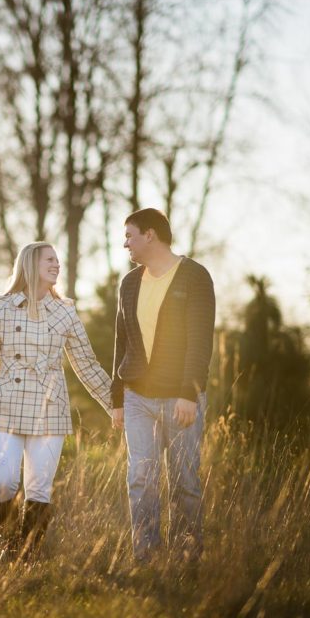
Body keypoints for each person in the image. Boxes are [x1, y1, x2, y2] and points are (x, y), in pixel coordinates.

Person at [0, 242, 112, 564]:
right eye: (50, 260)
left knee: (39, 488)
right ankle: (11, 542)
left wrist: (116, 404)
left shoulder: (65, 310)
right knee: (3, 482)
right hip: (4, 403)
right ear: (30, 264)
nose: (57, 265)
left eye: (58, 259)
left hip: (49, 404)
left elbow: (86, 363)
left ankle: (23, 557)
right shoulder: (0, 307)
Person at [111, 208, 215, 562]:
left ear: (150, 235)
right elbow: (121, 342)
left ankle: (188, 556)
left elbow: (200, 341)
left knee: (184, 480)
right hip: (137, 396)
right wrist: (117, 399)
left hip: (179, 397)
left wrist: (189, 392)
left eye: (130, 236)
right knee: (141, 477)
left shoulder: (194, 276)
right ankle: (148, 557)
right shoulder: (128, 283)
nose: (125, 243)